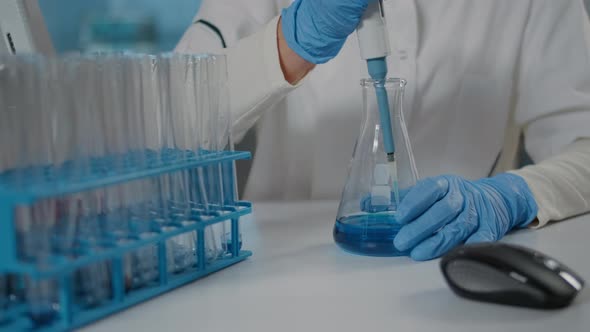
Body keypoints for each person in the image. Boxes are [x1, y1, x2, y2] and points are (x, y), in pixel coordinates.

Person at [176, 0, 590, 260]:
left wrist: (514, 197)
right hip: (280, 279)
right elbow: (170, 124)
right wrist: (290, 44)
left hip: (452, 273)